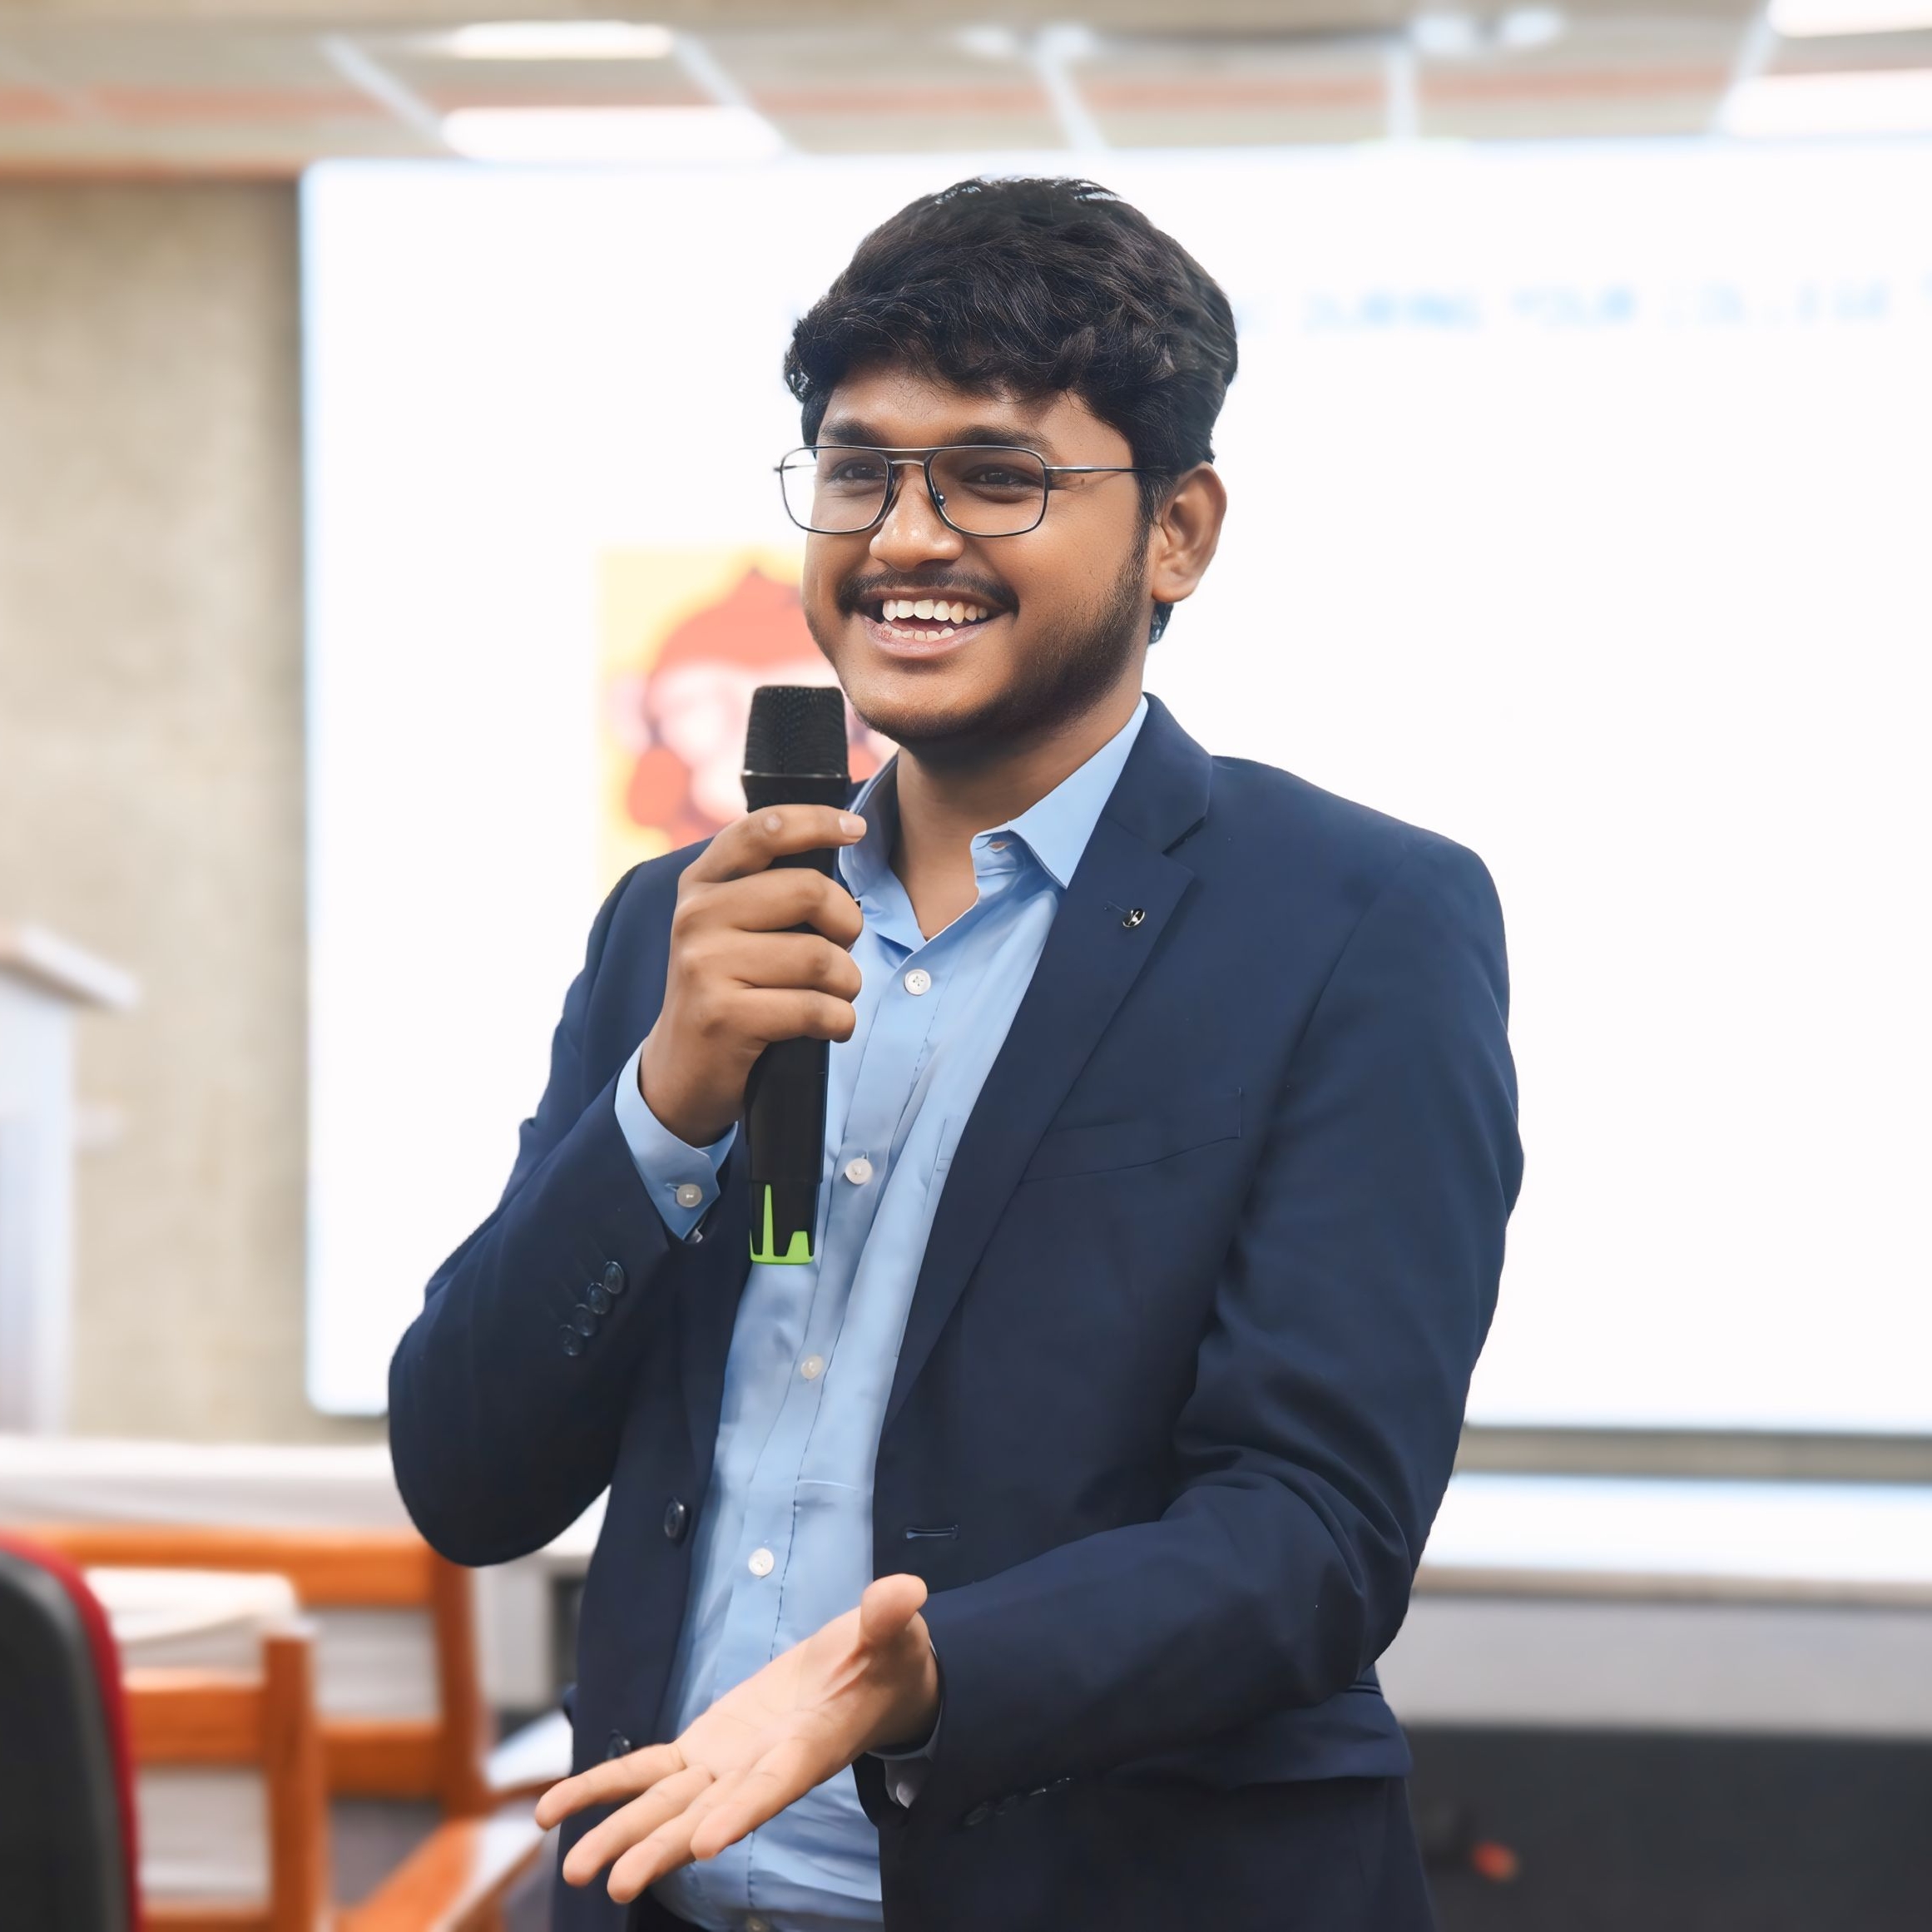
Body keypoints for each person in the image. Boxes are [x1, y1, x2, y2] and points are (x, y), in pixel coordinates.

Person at [389, 176, 1523, 1932]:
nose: (905, 538)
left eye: (997, 477)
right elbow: (469, 1476)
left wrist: (925, 1679)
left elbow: (1315, 1532)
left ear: (1177, 532)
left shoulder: (1358, 921)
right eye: (859, 473)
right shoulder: (685, 925)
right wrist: (668, 1106)